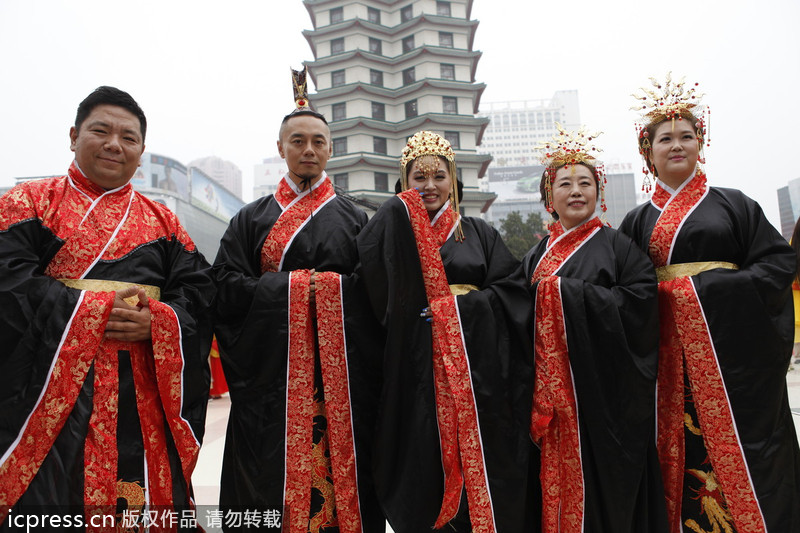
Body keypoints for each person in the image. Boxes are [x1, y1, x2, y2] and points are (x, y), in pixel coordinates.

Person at [0, 86, 214, 528]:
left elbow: (200, 293)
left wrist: (158, 320)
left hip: (142, 394)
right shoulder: (26, 204)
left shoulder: (164, 222)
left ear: (141, 151)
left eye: (129, 137)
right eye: (101, 131)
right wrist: (91, 310)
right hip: (51, 394)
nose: (115, 144)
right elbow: (7, 283)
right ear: (74, 136)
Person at [619, 74, 800, 532]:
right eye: (666, 138)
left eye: (687, 136)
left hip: (732, 361)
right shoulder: (636, 221)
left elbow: (777, 264)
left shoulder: (735, 205)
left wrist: (712, 291)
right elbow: (620, 292)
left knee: (748, 450)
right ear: (648, 152)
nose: (677, 145)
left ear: (701, 144)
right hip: (666, 365)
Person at [213, 68, 384, 533]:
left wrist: (324, 294)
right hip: (272, 376)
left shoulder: (357, 219)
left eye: (318, 142)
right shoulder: (250, 220)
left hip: (341, 379)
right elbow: (224, 288)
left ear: (331, 149)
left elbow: (377, 293)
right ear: (281, 148)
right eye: (298, 141)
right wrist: (294, 291)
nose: (308, 150)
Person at [357, 131, 537, 532]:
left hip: (476, 376)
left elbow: (511, 295)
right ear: (404, 185)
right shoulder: (393, 235)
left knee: (483, 464)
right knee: (421, 459)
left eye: (438, 176)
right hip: (415, 371)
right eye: (418, 178)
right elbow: (370, 295)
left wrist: (458, 311)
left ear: (453, 180)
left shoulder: (479, 233)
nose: (429, 186)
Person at [522, 125, 667, 532]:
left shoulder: (619, 247)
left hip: (601, 395)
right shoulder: (535, 255)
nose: (576, 191)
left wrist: (567, 294)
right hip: (550, 397)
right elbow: (515, 315)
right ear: (549, 196)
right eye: (564, 183)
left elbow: (640, 304)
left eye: (585, 182)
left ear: (598, 192)